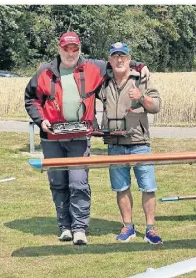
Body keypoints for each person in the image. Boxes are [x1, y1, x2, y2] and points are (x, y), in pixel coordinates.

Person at [25, 33, 148, 246]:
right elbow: (31, 99)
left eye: (75, 49)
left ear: (79, 49)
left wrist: (140, 65)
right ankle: (64, 226)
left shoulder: (93, 67)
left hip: (80, 137)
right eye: (67, 49)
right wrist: (40, 120)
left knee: (78, 182)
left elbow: (118, 62)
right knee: (58, 183)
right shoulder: (44, 72)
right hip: (52, 137)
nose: (71, 53)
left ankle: (80, 228)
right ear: (59, 49)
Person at [99, 42, 163, 244]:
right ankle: (128, 227)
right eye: (115, 56)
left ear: (129, 59)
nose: (119, 60)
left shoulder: (141, 78)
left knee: (148, 187)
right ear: (110, 59)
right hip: (114, 143)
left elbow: (157, 106)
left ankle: (150, 229)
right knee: (121, 187)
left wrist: (141, 97)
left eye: (123, 56)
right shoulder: (103, 81)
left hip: (139, 142)